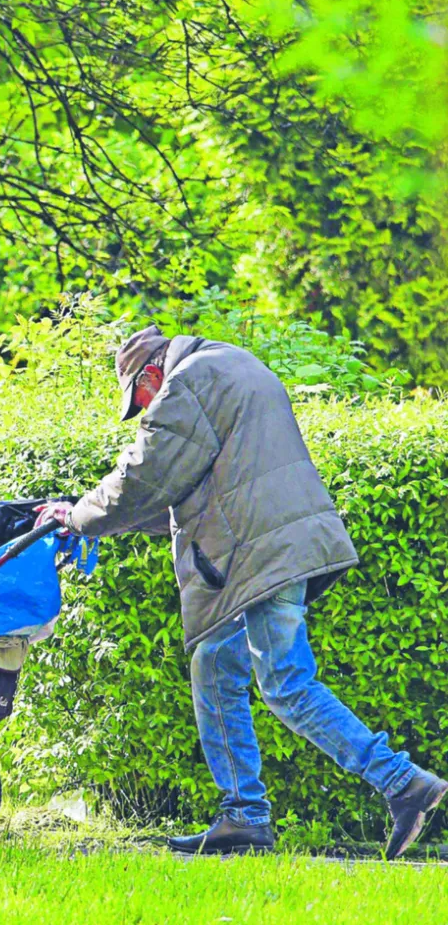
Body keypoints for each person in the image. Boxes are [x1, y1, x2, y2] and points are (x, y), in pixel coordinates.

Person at [35, 325, 445, 858]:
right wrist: (103, 520)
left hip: (260, 553)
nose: (144, 409)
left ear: (151, 375)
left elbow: (145, 476)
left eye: (140, 400)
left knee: (286, 684)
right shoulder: (232, 363)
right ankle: (244, 817)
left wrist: (79, 514)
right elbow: (195, 489)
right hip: (262, 547)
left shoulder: (188, 382)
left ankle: (404, 783)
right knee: (214, 664)